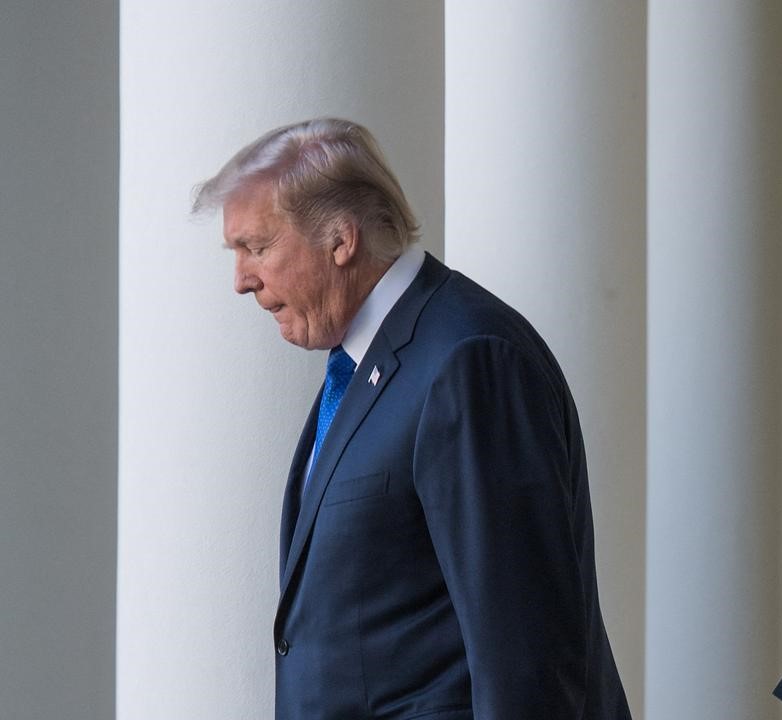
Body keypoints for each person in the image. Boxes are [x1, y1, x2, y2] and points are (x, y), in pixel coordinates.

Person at [193, 118, 632, 720]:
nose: (242, 280)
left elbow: (527, 654)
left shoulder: (468, 360)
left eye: (258, 247)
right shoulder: (366, 365)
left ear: (341, 241)